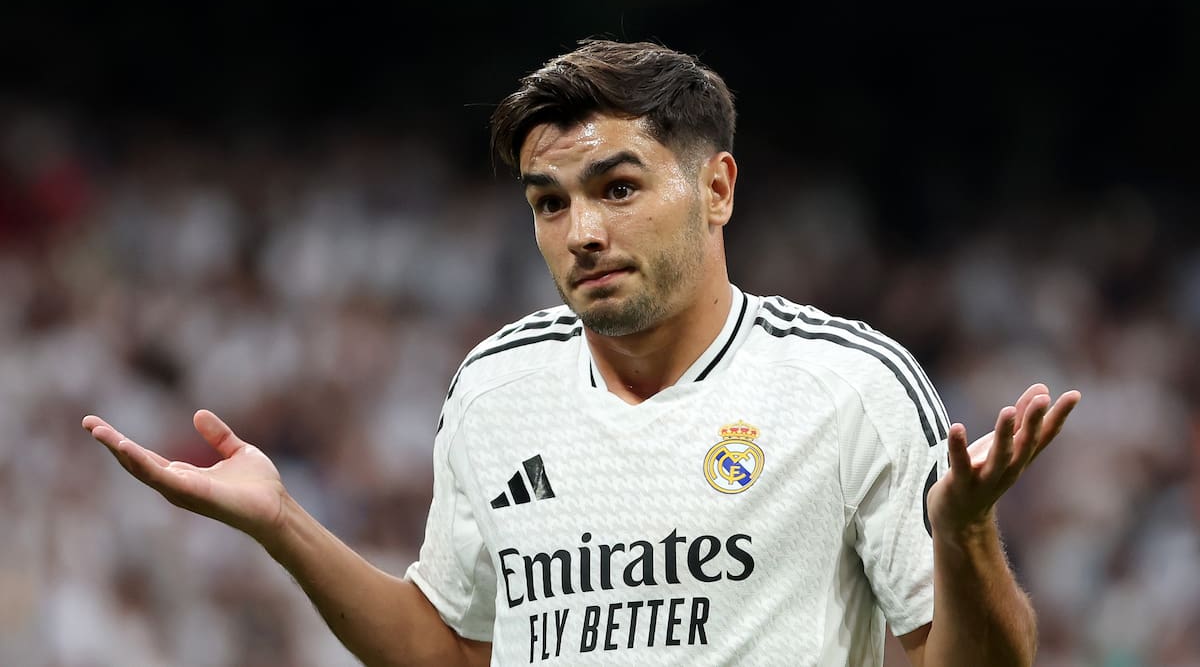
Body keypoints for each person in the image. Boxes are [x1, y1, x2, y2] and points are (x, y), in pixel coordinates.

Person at [84, 38, 1081, 666]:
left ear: (718, 188)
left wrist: (964, 534)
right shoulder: (494, 387)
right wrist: (282, 524)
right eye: (550, 203)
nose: (582, 232)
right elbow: (447, 650)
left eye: (618, 188)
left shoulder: (847, 383)